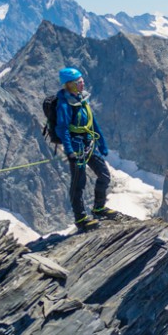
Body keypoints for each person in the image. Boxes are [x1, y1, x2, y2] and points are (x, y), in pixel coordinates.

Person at [55, 67, 120, 230]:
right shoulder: (64, 104)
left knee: (104, 175)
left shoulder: (82, 99)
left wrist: (102, 144)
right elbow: (63, 129)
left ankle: (98, 208)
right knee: (78, 184)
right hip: (77, 148)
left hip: (88, 144)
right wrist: (69, 151)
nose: (82, 83)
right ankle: (81, 219)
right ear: (69, 84)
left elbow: (92, 122)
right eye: (78, 81)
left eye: (82, 80)